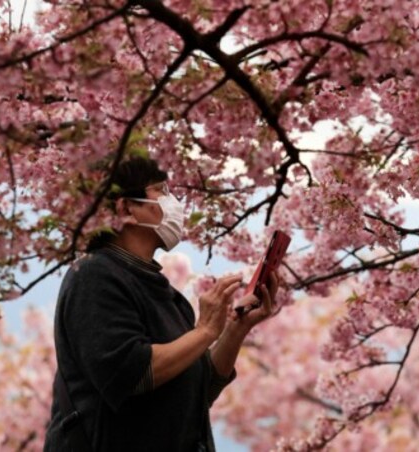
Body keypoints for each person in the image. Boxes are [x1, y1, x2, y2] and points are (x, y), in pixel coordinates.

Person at [44, 157, 278, 451]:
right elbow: (131, 375)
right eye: (160, 191)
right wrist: (204, 330)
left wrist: (234, 329)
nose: (173, 202)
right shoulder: (94, 275)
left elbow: (197, 393)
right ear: (126, 209)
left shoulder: (167, 294)